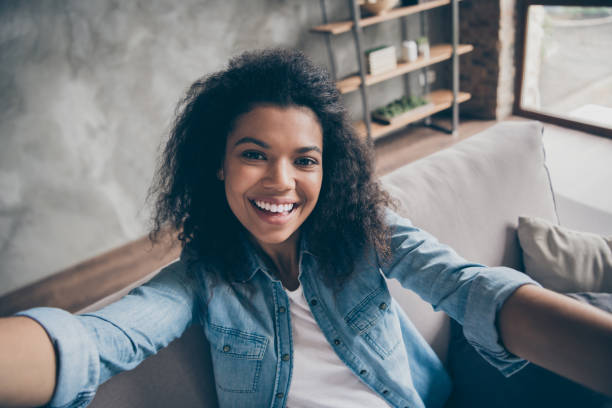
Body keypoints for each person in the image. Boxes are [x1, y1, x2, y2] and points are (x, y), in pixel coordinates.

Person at [0, 48, 611, 408]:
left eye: (305, 160)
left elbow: (470, 287)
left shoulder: (370, 233)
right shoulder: (200, 281)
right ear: (217, 164)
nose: (281, 182)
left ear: (329, 168)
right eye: (254, 154)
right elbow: (96, 340)